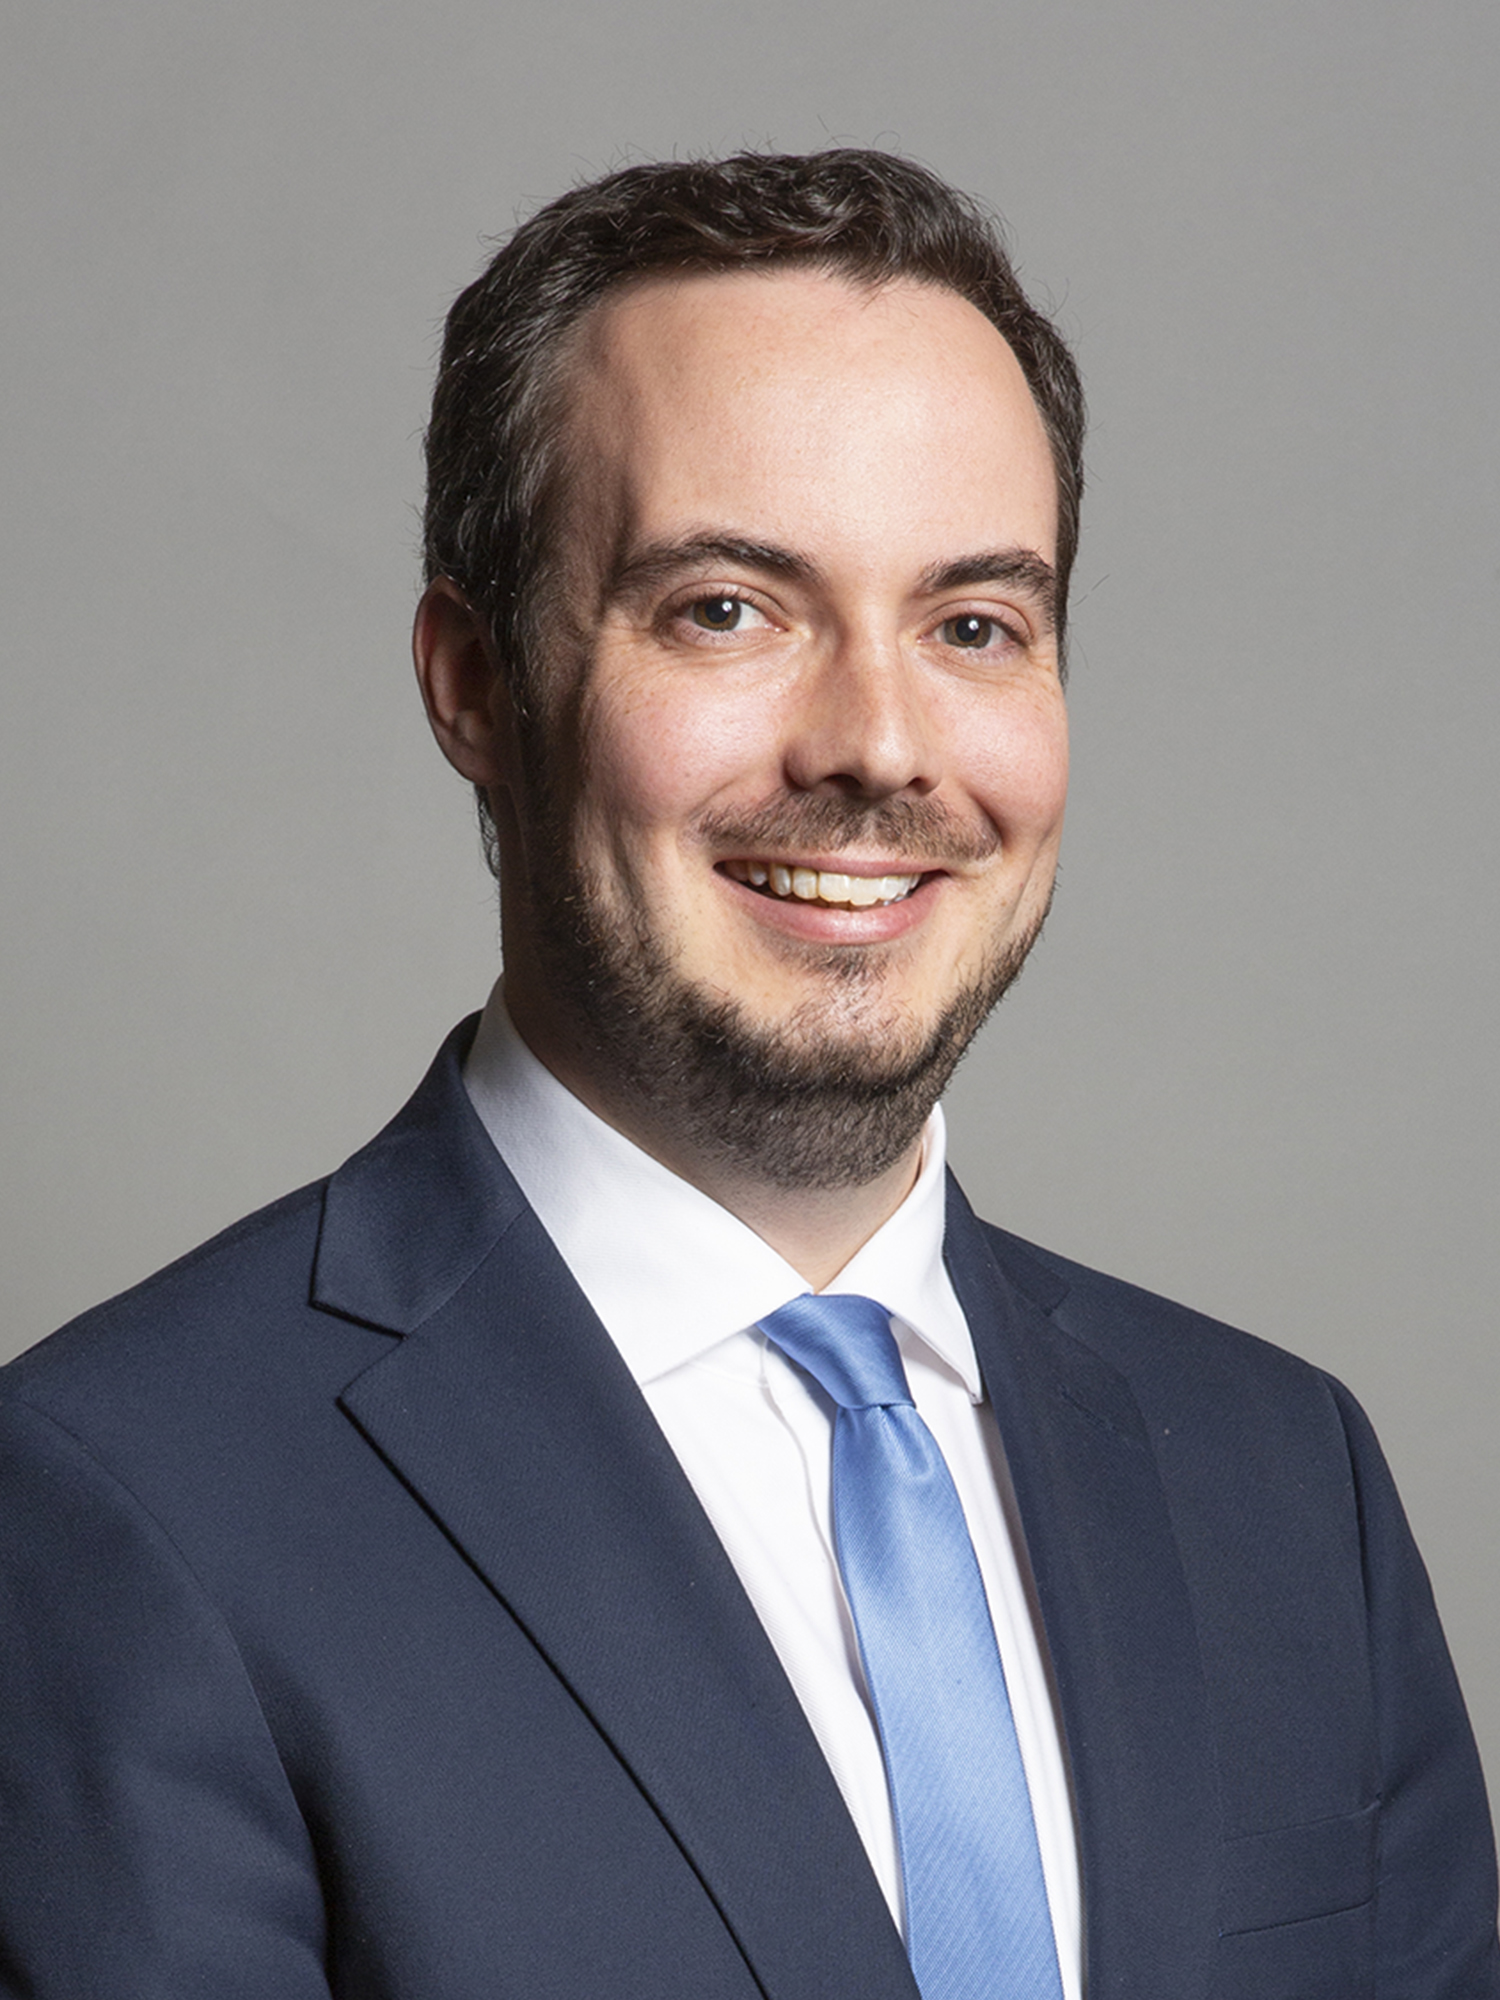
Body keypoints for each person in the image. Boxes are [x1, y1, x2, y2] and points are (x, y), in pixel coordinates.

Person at [0, 149, 1494, 1999]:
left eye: (973, 625)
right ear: (475, 684)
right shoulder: (119, 1507)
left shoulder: (1285, 1483)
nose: (878, 746)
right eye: (728, 608)